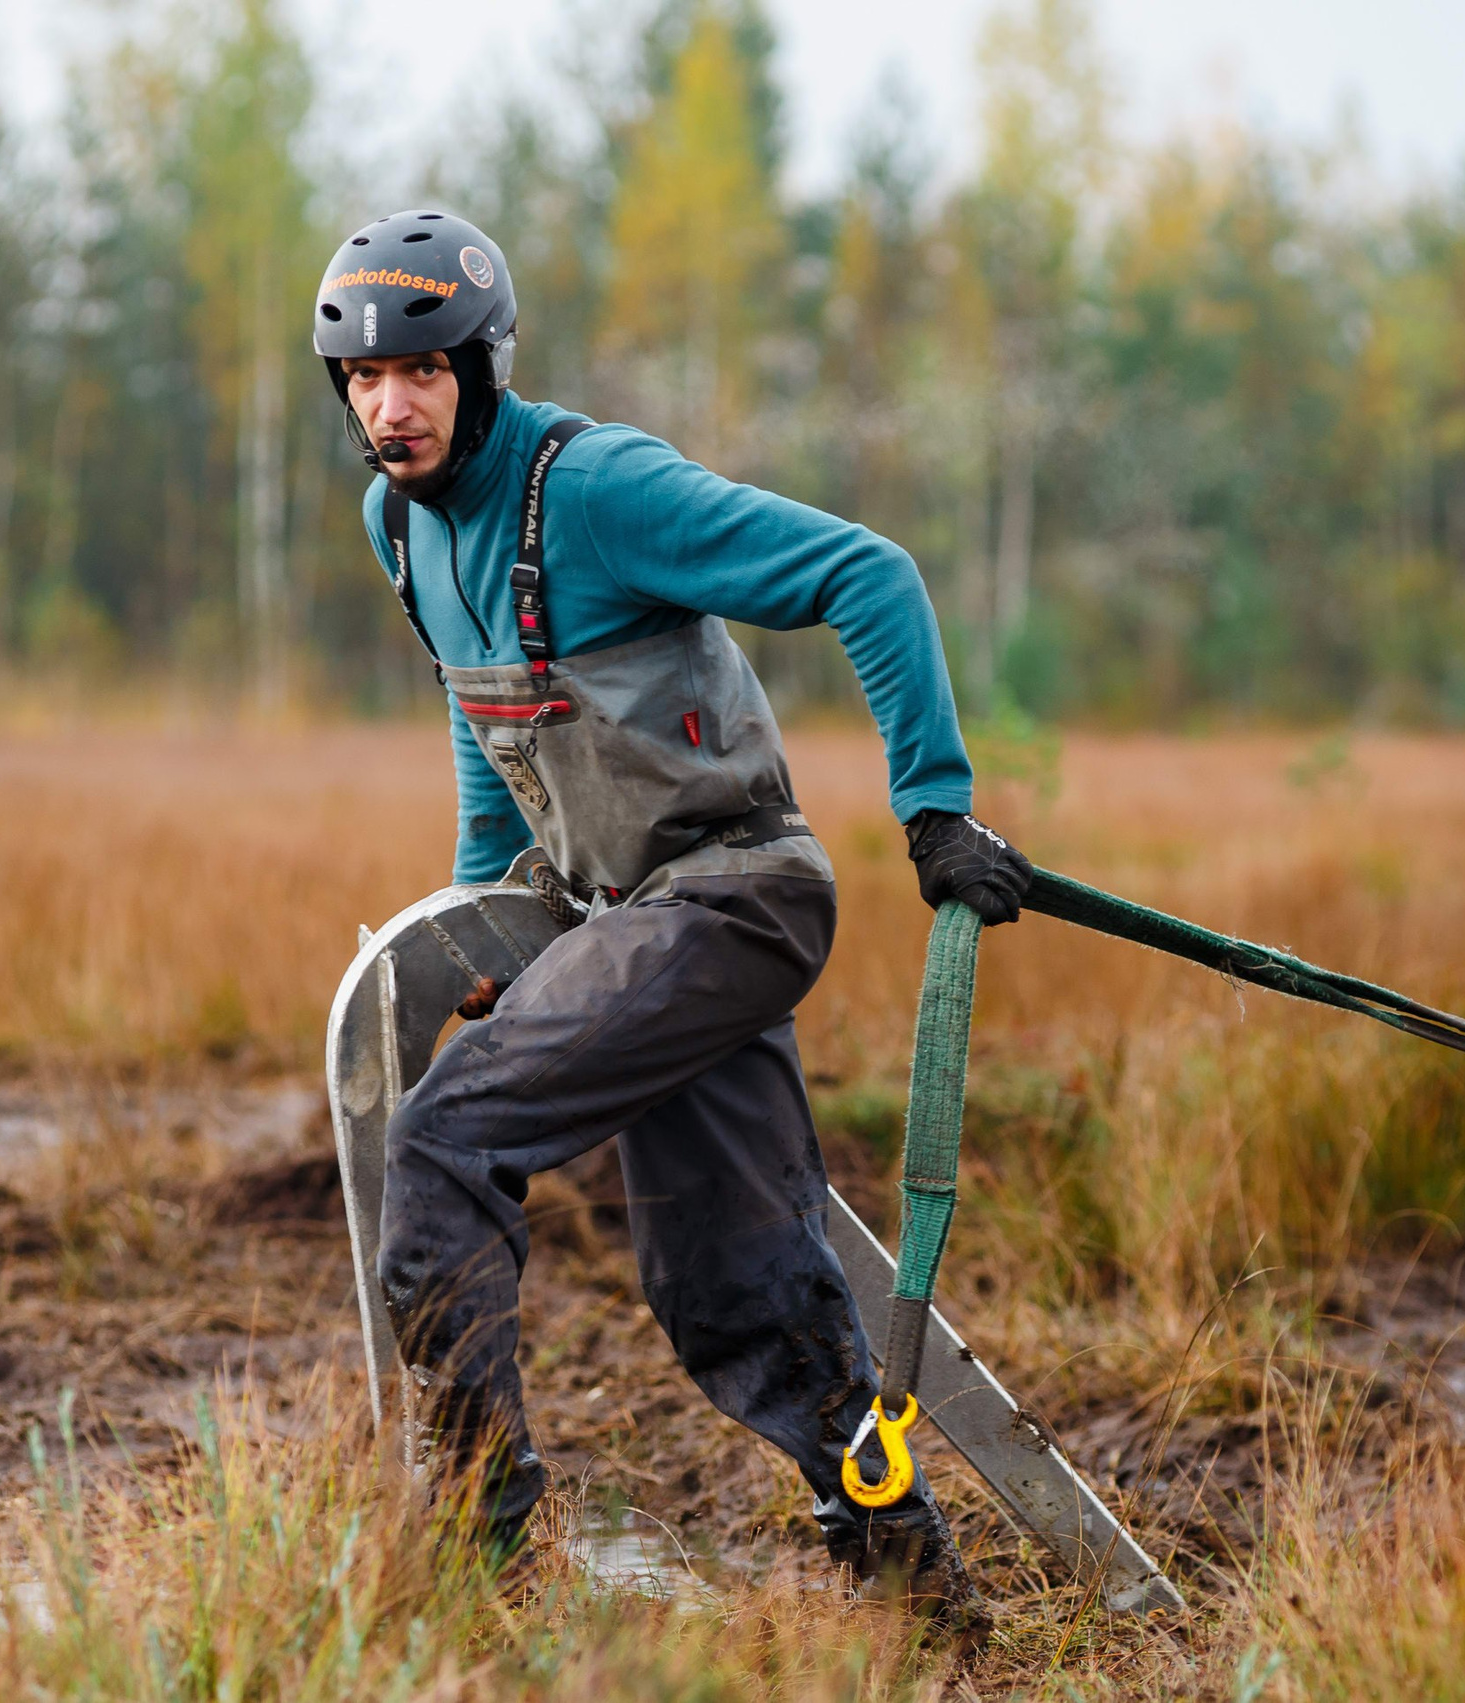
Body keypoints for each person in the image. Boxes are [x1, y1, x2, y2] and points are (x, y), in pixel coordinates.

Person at [315, 209, 1032, 1614]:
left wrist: (935, 807)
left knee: (450, 1134)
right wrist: (483, 914)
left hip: (731, 899)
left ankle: (477, 1541)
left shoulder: (598, 490)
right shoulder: (398, 522)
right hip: (613, 922)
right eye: (360, 381)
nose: (389, 409)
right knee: (736, 1289)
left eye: (421, 374)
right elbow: (491, 712)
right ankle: (921, 1599)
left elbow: (865, 575)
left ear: (482, 368)